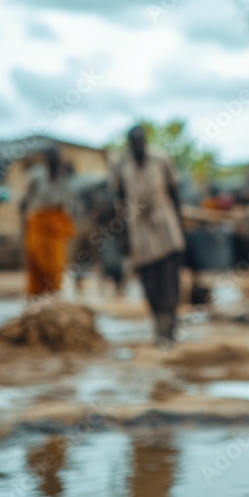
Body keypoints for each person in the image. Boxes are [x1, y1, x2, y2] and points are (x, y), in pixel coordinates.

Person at [110, 126, 185, 346]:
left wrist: (181, 228)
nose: (138, 146)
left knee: (169, 282)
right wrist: (122, 236)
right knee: (149, 283)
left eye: (140, 141)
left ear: (145, 142)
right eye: (133, 142)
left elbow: (175, 194)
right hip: (138, 233)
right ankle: (159, 327)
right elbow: (119, 202)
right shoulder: (122, 167)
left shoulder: (161, 160)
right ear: (129, 144)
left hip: (166, 229)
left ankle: (170, 328)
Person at [21, 148, 75, 298]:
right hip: (38, 222)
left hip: (56, 224)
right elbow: (26, 200)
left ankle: (54, 294)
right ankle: (37, 294)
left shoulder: (63, 177)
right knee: (36, 260)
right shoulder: (35, 176)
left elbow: (68, 201)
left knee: (56, 263)